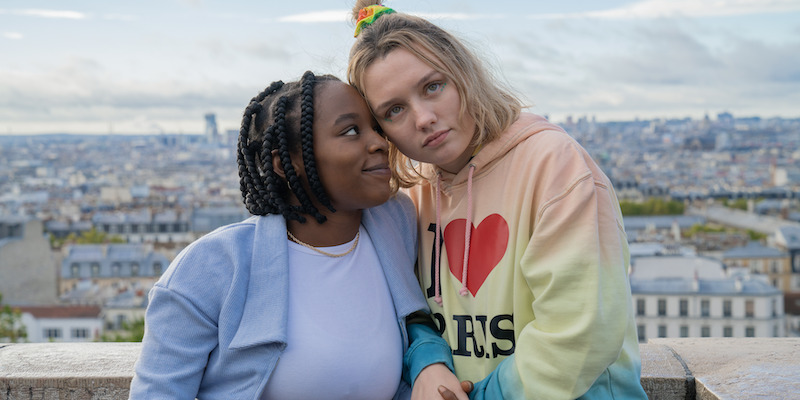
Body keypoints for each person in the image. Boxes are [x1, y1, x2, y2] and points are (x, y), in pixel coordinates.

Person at [348, 2, 649, 399]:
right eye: (394, 110)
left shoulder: (554, 165)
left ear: (464, 75)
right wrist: (427, 359)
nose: (423, 118)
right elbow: (407, 308)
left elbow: (580, 331)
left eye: (432, 87)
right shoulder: (413, 195)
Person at [129, 71, 460, 399]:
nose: (379, 143)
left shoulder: (395, 222)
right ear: (285, 163)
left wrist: (429, 360)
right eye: (350, 131)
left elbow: (414, 320)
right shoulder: (211, 266)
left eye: (376, 128)